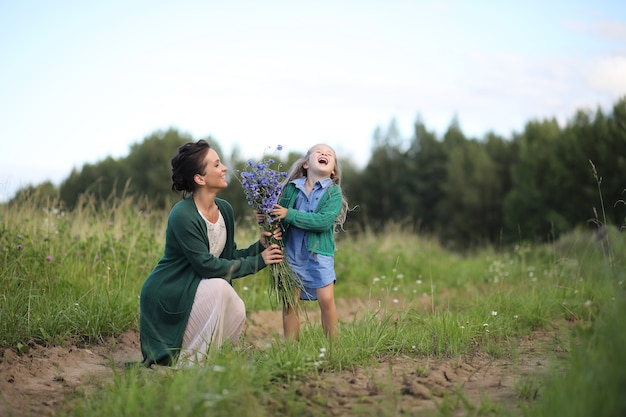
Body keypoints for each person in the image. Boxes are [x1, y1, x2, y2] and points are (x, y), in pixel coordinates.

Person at [139, 140, 283, 366]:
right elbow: (207, 266)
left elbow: (227, 257)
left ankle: (204, 360)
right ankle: (190, 363)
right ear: (200, 178)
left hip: (198, 290)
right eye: (216, 165)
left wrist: (260, 247)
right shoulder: (183, 214)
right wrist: (258, 261)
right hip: (171, 294)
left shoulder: (224, 209)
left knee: (237, 308)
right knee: (220, 287)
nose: (224, 168)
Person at [269, 144, 349, 341]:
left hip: (319, 254)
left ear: (333, 170)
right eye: (319, 152)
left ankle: (333, 347)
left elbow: (323, 221)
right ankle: (291, 349)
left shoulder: (333, 192)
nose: (324, 154)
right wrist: (265, 218)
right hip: (291, 253)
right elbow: (278, 215)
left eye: (329, 154)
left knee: (326, 299)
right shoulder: (291, 188)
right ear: (305, 163)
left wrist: (289, 214)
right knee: (290, 302)